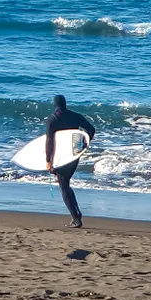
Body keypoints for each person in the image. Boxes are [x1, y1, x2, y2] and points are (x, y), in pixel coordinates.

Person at [45, 94, 95, 228]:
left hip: (60, 156)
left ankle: (76, 218)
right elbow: (91, 129)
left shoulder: (52, 119)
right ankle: (76, 215)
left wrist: (48, 161)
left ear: (54, 105)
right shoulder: (76, 116)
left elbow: (49, 141)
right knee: (65, 183)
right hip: (74, 154)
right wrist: (84, 143)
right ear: (65, 104)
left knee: (63, 184)